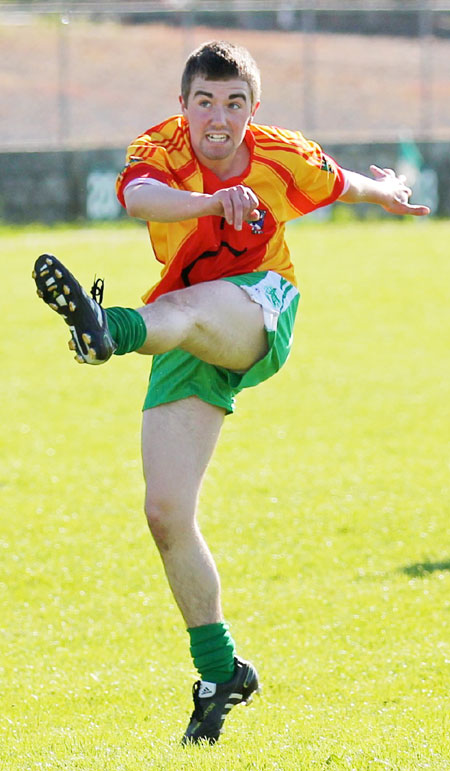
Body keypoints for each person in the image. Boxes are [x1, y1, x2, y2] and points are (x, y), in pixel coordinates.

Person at [33, 41, 430, 745]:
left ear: (254, 110)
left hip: (259, 308)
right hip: (185, 325)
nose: (218, 118)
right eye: (205, 102)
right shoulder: (158, 146)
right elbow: (138, 199)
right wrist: (214, 199)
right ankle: (221, 671)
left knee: (178, 314)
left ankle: (106, 328)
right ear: (183, 104)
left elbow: (345, 183)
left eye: (234, 104)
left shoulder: (283, 156)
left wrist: (391, 191)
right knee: (165, 511)